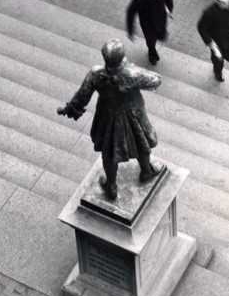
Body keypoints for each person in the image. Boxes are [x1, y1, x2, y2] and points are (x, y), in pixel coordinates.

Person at [57, 38, 162, 201]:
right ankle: (146, 170)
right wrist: (131, 67)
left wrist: (69, 109)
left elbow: (82, 97)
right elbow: (155, 80)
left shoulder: (96, 74)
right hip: (133, 115)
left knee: (109, 150)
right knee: (141, 141)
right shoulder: (132, 74)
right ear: (122, 58)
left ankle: (111, 186)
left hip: (107, 116)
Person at [126, 0, 173, 65]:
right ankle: (152, 54)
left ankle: (153, 49)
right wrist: (130, 31)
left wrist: (170, 10)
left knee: (162, 36)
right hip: (147, 22)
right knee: (150, 40)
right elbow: (131, 12)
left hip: (160, 18)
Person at [197, 0, 229, 82]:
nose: (227, 4)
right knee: (218, 59)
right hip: (216, 39)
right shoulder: (209, 12)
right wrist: (210, 43)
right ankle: (217, 72)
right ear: (217, 1)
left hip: (228, 35)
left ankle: (226, 59)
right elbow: (201, 27)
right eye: (224, 3)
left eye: (227, 1)